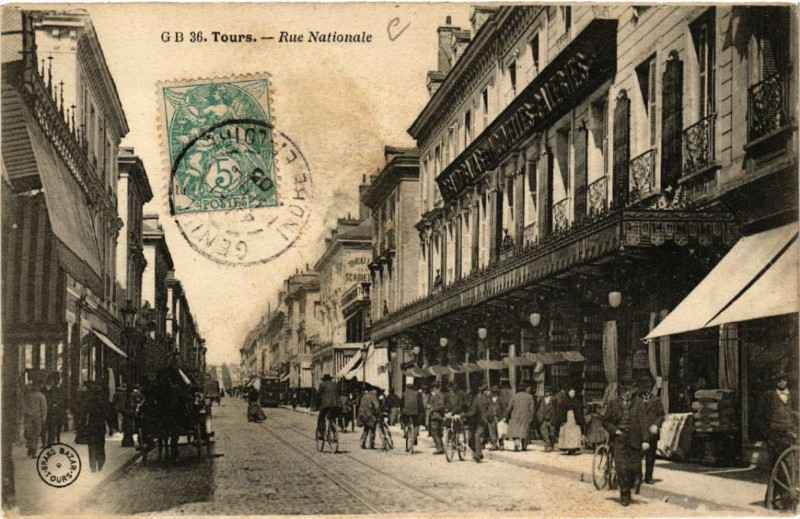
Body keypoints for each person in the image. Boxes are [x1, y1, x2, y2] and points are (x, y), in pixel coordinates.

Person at [602, 376, 651, 506]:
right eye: (625, 391)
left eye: (630, 391)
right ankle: (624, 493)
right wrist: (614, 431)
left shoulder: (639, 403)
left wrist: (645, 440)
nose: (627, 394)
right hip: (619, 441)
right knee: (621, 468)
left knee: (634, 468)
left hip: (635, 441)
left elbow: (643, 423)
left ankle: (632, 484)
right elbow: (605, 421)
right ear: (621, 392)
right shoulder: (613, 403)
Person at [759, 370, 799, 467]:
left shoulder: (793, 395)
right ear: (775, 382)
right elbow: (759, 416)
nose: (782, 382)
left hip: (789, 431)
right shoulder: (768, 395)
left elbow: (797, 411)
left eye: (784, 380)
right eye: (779, 380)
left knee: (790, 460)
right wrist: (766, 432)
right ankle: (775, 481)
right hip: (774, 433)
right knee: (775, 461)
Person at [638, 376, 665, 484]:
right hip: (639, 432)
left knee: (650, 456)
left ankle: (648, 477)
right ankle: (638, 476)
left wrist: (656, 425)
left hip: (652, 432)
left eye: (648, 387)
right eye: (644, 388)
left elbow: (661, 415)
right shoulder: (636, 399)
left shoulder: (656, 400)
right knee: (637, 456)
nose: (646, 390)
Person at [85, 382, 111, 472]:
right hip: (100, 426)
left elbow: (84, 415)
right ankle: (100, 463)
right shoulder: (103, 402)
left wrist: (83, 426)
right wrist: (111, 427)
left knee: (92, 446)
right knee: (100, 445)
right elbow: (107, 415)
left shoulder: (88, 401)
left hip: (91, 426)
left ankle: (92, 466)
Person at [503, 384, 535, 451]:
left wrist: (506, 416)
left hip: (515, 416)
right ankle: (524, 446)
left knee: (515, 431)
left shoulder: (514, 396)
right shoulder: (529, 397)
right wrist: (531, 417)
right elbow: (532, 409)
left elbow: (509, 408)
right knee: (524, 431)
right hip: (525, 417)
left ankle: (516, 445)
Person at [464, 385, 490, 462]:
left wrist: (463, 415)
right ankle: (477, 452)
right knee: (470, 440)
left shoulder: (484, 399)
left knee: (477, 436)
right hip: (474, 422)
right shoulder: (476, 399)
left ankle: (478, 454)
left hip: (480, 421)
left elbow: (474, 411)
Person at [557, 386, 585, 454]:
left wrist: (579, 420)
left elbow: (579, 411)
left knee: (574, 433)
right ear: (568, 393)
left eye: (574, 393)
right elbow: (561, 411)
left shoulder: (576, 401)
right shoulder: (564, 401)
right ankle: (567, 447)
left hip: (574, 419)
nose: (573, 394)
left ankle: (574, 448)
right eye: (571, 392)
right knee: (567, 433)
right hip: (567, 419)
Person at [23, 380, 47, 458]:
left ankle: (32, 448)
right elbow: (44, 408)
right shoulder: (41, 396)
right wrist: (43, 418)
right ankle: (32, 449)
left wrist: (25, 413)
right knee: (35, 434)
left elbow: (23, 405)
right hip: (36, 418)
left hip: (32, 417)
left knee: (31, 433)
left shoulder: (29, 396)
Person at [42, 372, 65, 446]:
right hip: (44, 410)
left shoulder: (56, 389)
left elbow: (58, 400)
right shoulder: (43, 389)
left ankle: (50, 443)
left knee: (52, 428)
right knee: (44, 428)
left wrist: (56, 404)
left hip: (53, 411)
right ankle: (44, 443)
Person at [316, 375, 340, 439]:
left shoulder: (322, 385)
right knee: (332, 418)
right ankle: (334, 434)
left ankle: (321, 434)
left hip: (326, 405)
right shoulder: (335, 384)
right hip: (335, 405)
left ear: (324, 380)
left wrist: (317, 405)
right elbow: (338, 393)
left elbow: (318, 396)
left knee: (321, 418)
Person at [486, 386, 507, 450]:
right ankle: (494, 445)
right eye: (493, 392)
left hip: (499, 417)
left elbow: (505, 408)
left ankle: (501, 445)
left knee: (500, 431)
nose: (494, 393)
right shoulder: (488, 399)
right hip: (491, 417)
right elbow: (485, 408)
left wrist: (505, 417)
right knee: (492, 431)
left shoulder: (501, 399)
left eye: (496, 392)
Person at [428, 383, 446, 454]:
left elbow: (442, 406)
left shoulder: (440, 395)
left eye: (434, 387)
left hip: (437, 415)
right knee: (435, 432)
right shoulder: (434, 395)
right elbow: (430, 402)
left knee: (435, 432)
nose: (433, 389)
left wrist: (433, 409)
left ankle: (439, 448)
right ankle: (440, 447)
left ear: (437, 388)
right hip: (434, 415)